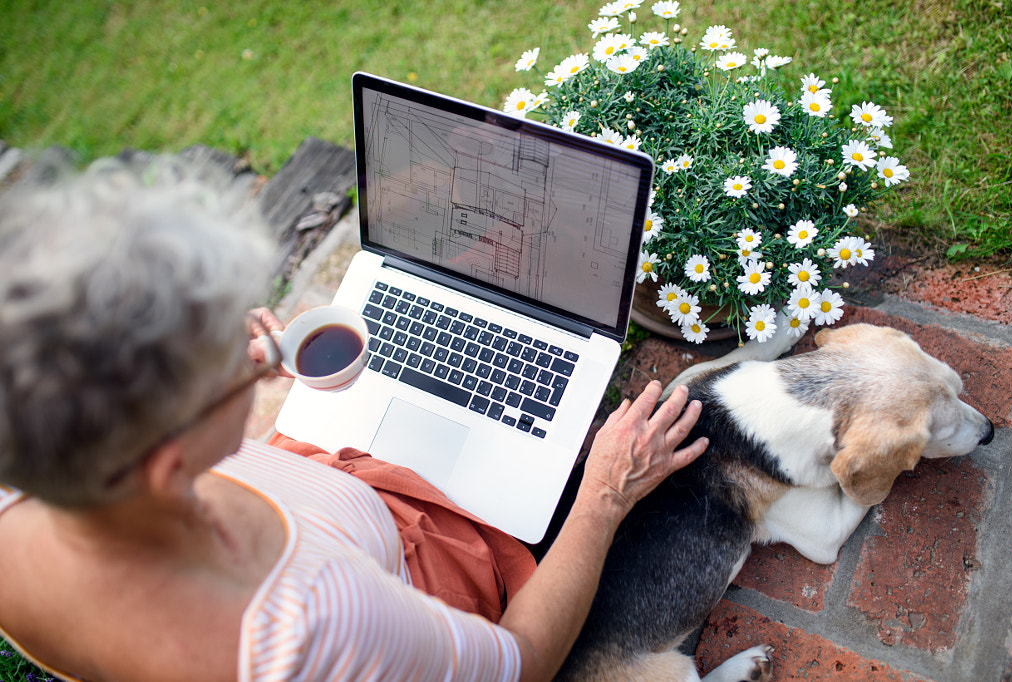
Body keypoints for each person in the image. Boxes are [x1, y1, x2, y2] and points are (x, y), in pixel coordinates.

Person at [0, 157, 707, 682]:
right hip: (419, 565)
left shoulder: (28, 490)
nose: (256, 351)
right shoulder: (316, 621)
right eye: (225, 360)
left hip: (328, 496)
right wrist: (604, 496)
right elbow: (520, 665)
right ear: (170, 457)